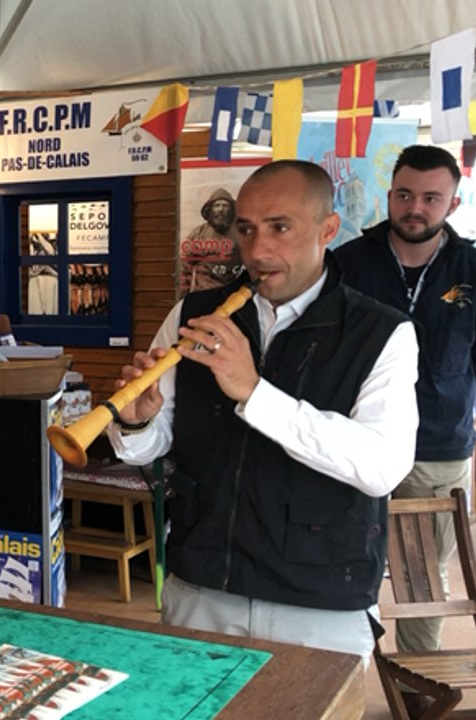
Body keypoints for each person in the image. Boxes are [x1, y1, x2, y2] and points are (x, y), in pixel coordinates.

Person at [106, 160, 420, 659]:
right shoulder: (191, 315)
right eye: (246, 229)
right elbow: (152, 444)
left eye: (280, 227)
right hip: (202, 585)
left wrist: (254, 392)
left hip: (319, 601)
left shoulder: (383, 332)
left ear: (328, 230)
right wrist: (138, 419)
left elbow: (381, 467)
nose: (257, 251)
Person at [335, 145, 476, 717]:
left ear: (454, 202)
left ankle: (419, 694)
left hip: (439, 447)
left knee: (424, 578)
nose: (415, 208)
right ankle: (339, 681)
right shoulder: (347, 263)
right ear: (388, 194)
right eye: (404, 194)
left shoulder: (471, 269)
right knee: (343, 562)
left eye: (430, 198)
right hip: (353, 443)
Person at [181, 188, 244, 295]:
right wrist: (183, 296)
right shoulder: (199, 233)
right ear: (210, 210)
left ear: (232, 210)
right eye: (217, 206)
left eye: (225, 206)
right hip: (204, 292)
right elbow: (184, 266)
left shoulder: (241, 233)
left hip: (233, 293)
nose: (221, 210)